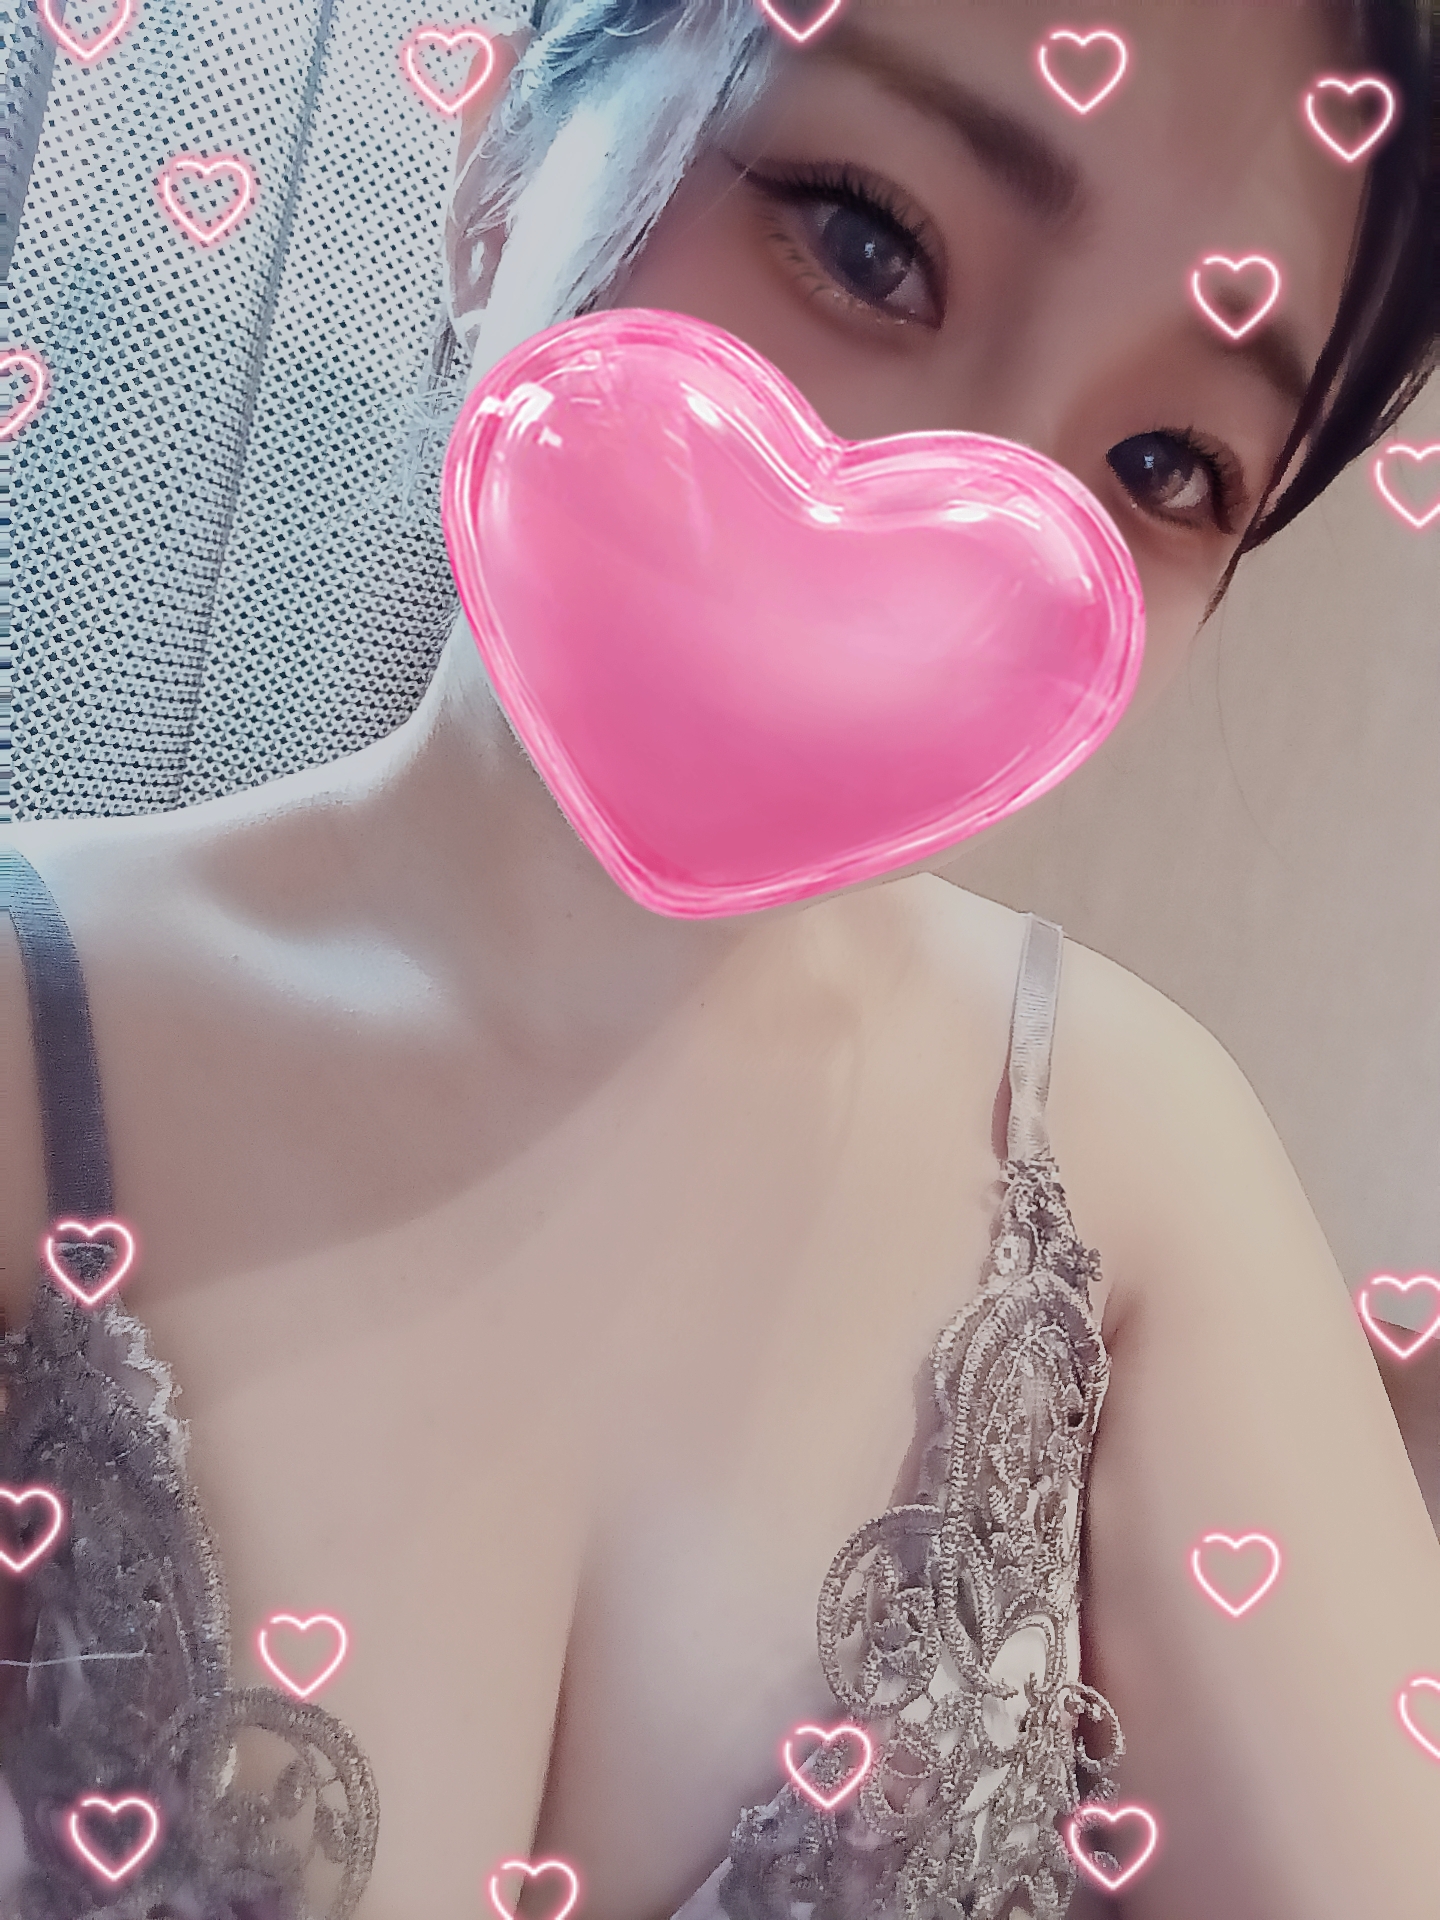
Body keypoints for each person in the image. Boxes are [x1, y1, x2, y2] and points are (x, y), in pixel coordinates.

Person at [0, 0, 1436, 1915]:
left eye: (1168, 461)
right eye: (864, 236)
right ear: (498, 173)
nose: (959, 524)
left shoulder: (1133, 1174)